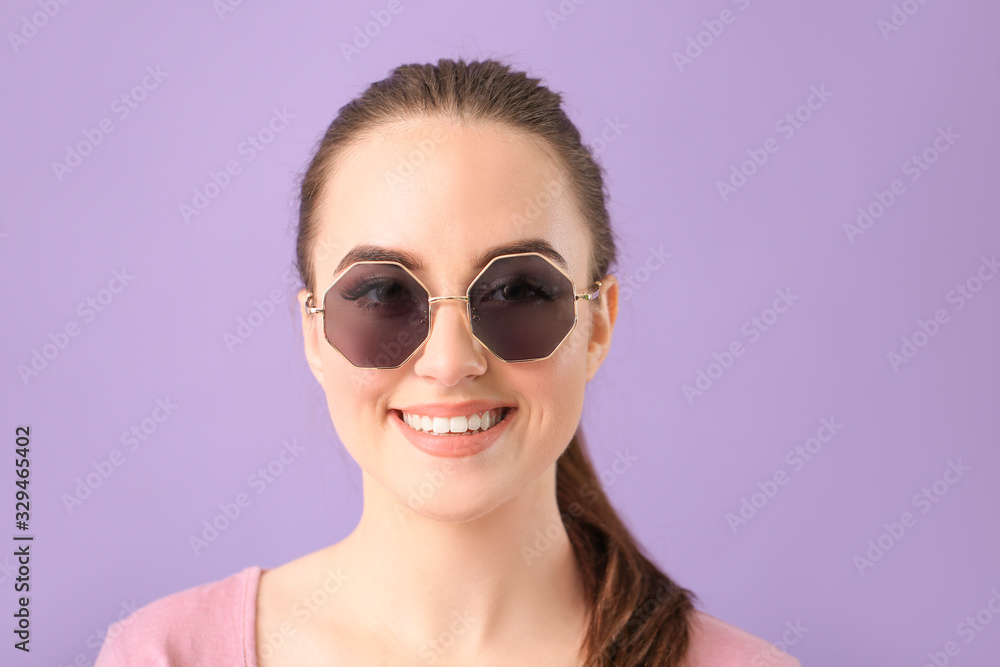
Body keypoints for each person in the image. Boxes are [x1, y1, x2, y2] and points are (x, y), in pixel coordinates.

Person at [95, 58, 801, 667]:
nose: (450, 359)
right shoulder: (164, 653)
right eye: (381, 292)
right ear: (312, 332)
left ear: (598, 323)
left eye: (521, 290)